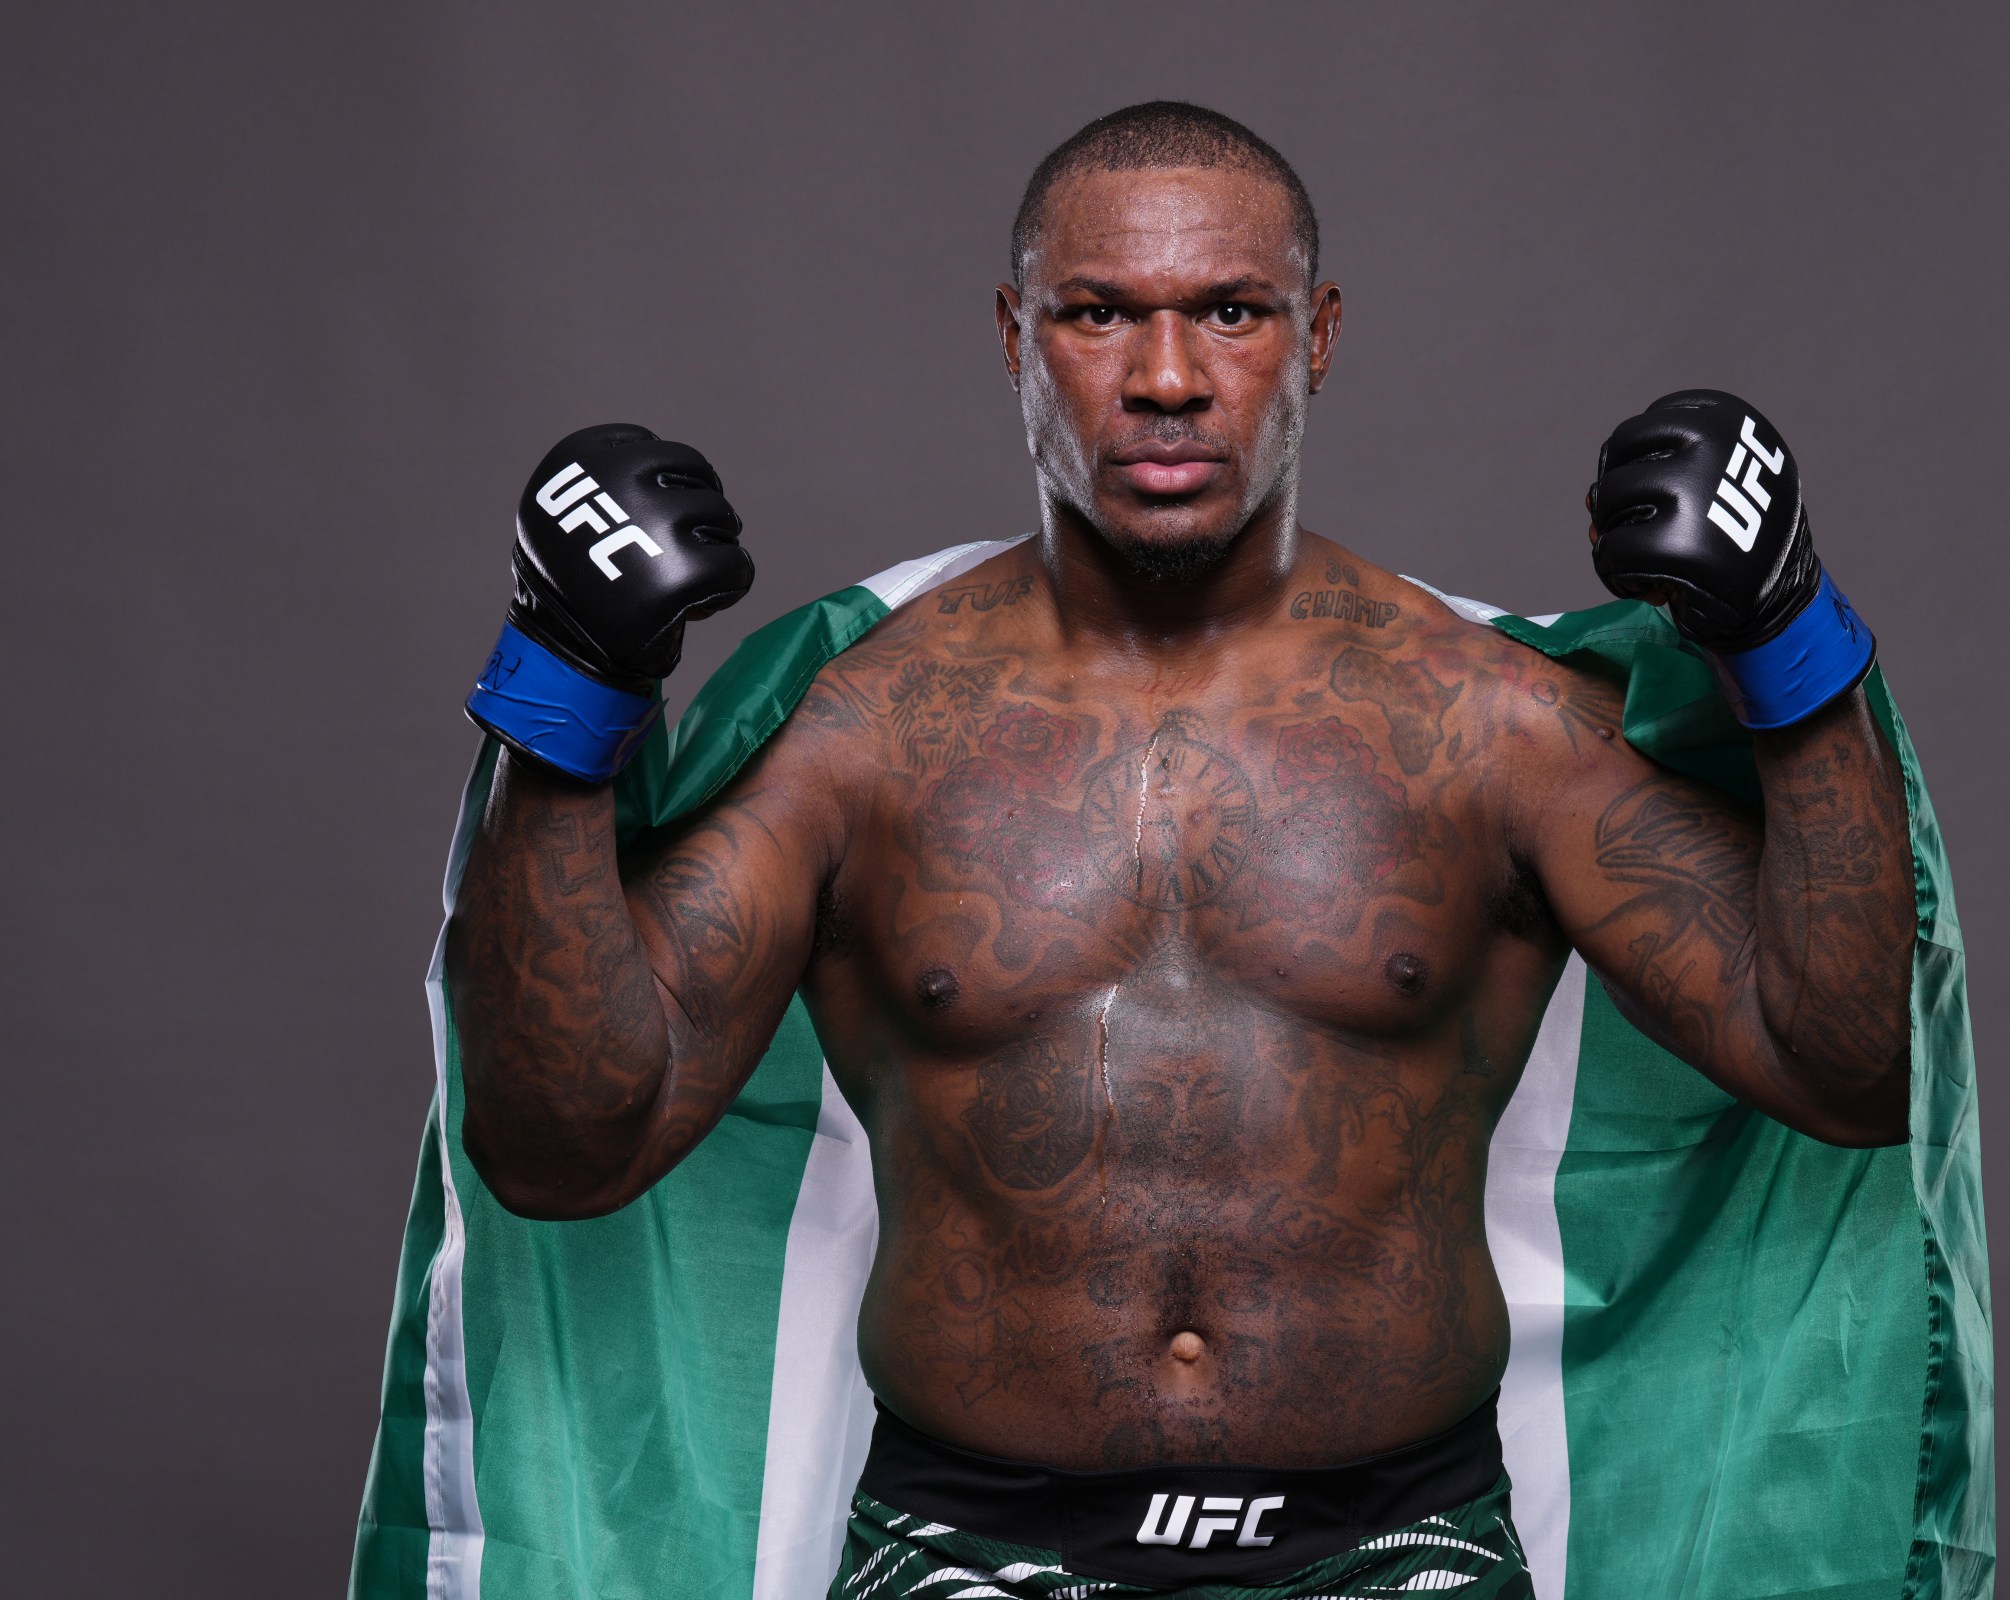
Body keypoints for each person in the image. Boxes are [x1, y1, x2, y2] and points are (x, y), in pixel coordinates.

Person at [449, 101, 1914, 1600]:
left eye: (1230, 312)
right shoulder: (867, 735)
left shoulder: (1484, 728)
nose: (1165, 378)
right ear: (1017, 338)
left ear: (1319, 333)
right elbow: (564, 1149)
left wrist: (1788, 638)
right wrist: (566, 689)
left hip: (1395, 1548)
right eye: (1098, 315)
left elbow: (1846, 1068)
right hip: (969, 1552)